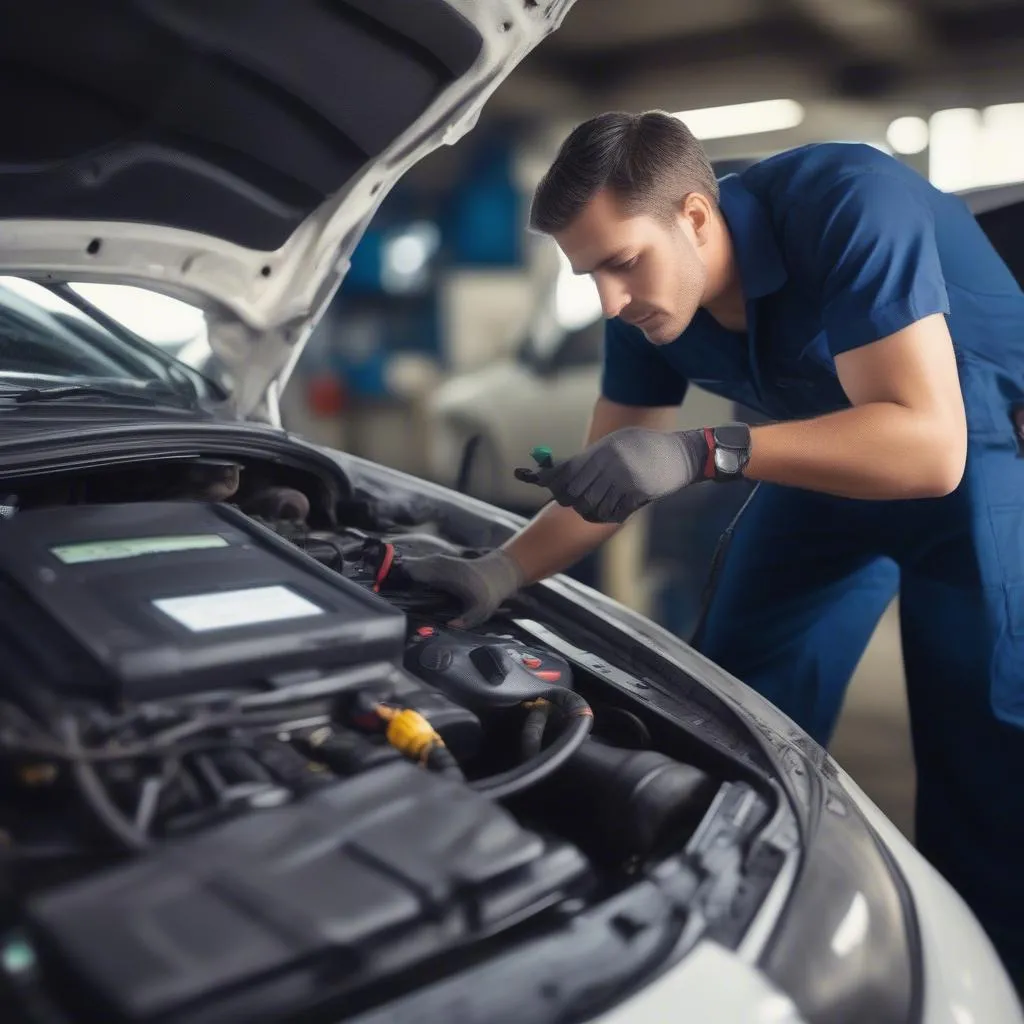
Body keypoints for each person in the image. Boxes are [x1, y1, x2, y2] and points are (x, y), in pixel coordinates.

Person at [405, 111, 1024, 981]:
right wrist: (497, 570)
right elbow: (609, 486)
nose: (611, 302)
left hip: (983, 457)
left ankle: (993, 975)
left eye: (621, 263)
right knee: (732, 704)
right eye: (590, 276)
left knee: (985, 754)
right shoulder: (648, 306)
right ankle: (729, 930)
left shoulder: (852, 202)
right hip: (825, 454)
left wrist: (704, 451)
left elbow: (931, 451)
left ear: (696, 216)